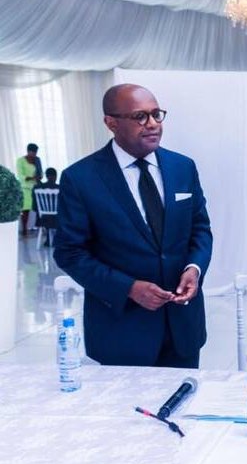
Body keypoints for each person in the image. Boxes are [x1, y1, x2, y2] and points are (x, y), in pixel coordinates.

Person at [54, 84, 213, 368]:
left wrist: (194, 268)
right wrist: (128, 288)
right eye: (140, 116)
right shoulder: (80, 178)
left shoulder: (183, 167)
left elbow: (200, 228)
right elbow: (70, 253)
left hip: (183, 327)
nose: (152, 124)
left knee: (183, 397)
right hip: (121, 331)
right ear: (111, 123)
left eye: (156, 114)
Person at [16, 143, 42, 236]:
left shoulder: (37, 160)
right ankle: (24, 230)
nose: (34, 154)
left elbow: (41, 174)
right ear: (28, 151)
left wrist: (38, 177)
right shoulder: (20, 161)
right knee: (25, 210)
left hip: (36, 188)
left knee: (39, 209)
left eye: (35, 153)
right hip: (25, 189)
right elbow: (20, 175)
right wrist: (31, 178)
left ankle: (41, 228)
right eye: (33, 152)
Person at [31, 167, 60, 246]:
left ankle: (49, 238)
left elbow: (34, 206)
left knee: (43, 212)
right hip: (57, 218)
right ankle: (58, 238)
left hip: (43, 218)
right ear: (56, 176)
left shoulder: (37, 188)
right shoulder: (60, 188)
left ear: (46, 176)